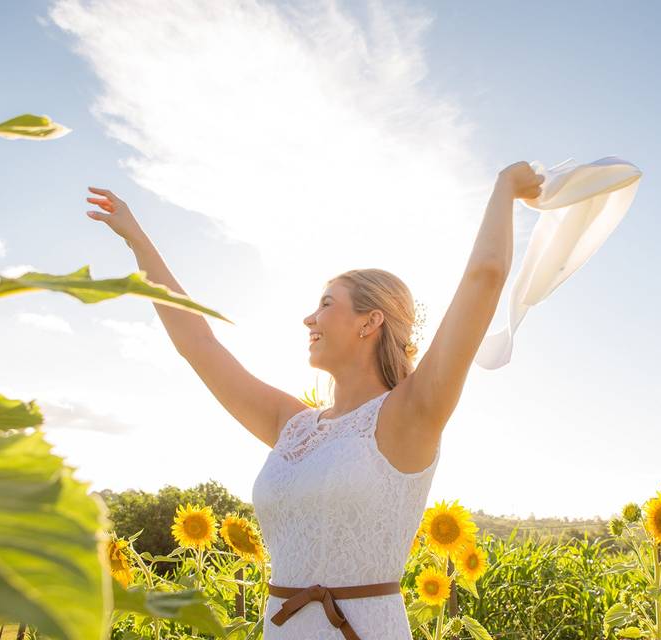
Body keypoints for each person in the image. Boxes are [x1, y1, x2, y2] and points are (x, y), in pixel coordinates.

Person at [84, 161, 544, 640]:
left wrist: (505, 186)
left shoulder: (410, 415)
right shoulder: (294, 425)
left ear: (370, 322)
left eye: (327, 303)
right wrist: (137, 239)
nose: (309, 318)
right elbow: (198, 343)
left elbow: (485, 277)